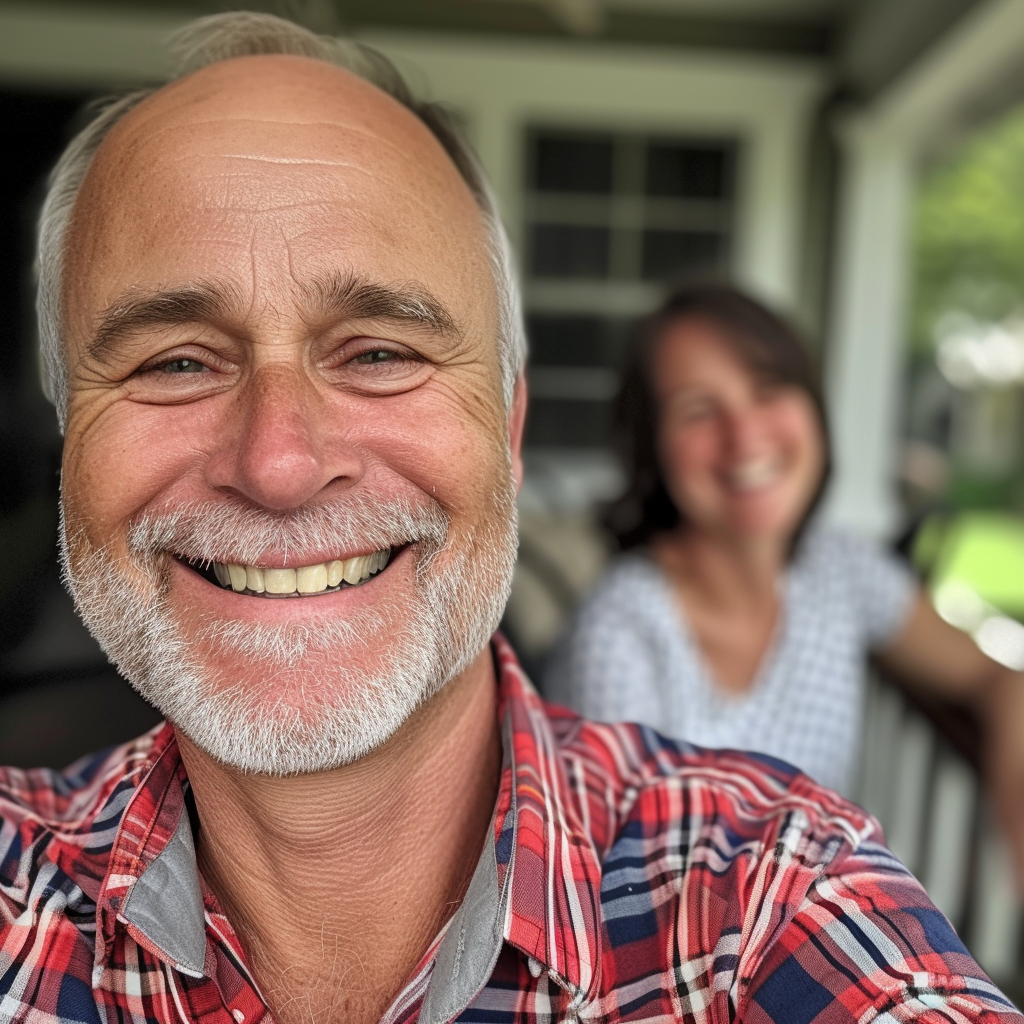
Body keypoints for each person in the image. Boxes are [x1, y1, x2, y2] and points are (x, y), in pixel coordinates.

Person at [0, 14, 1019, 1024]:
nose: (278, 465)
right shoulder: (17, 885)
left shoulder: (777, 886)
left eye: (379, 352)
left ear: (510, 426)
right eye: (174, 361)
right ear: (68, 437)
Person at [545, 283, 1024, 809]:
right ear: (652, 449)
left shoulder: (838, 571)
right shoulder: (621, 631)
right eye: (698, 410)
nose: (744, 435)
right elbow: (630, 877)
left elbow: (993, 678)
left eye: (768, 389)